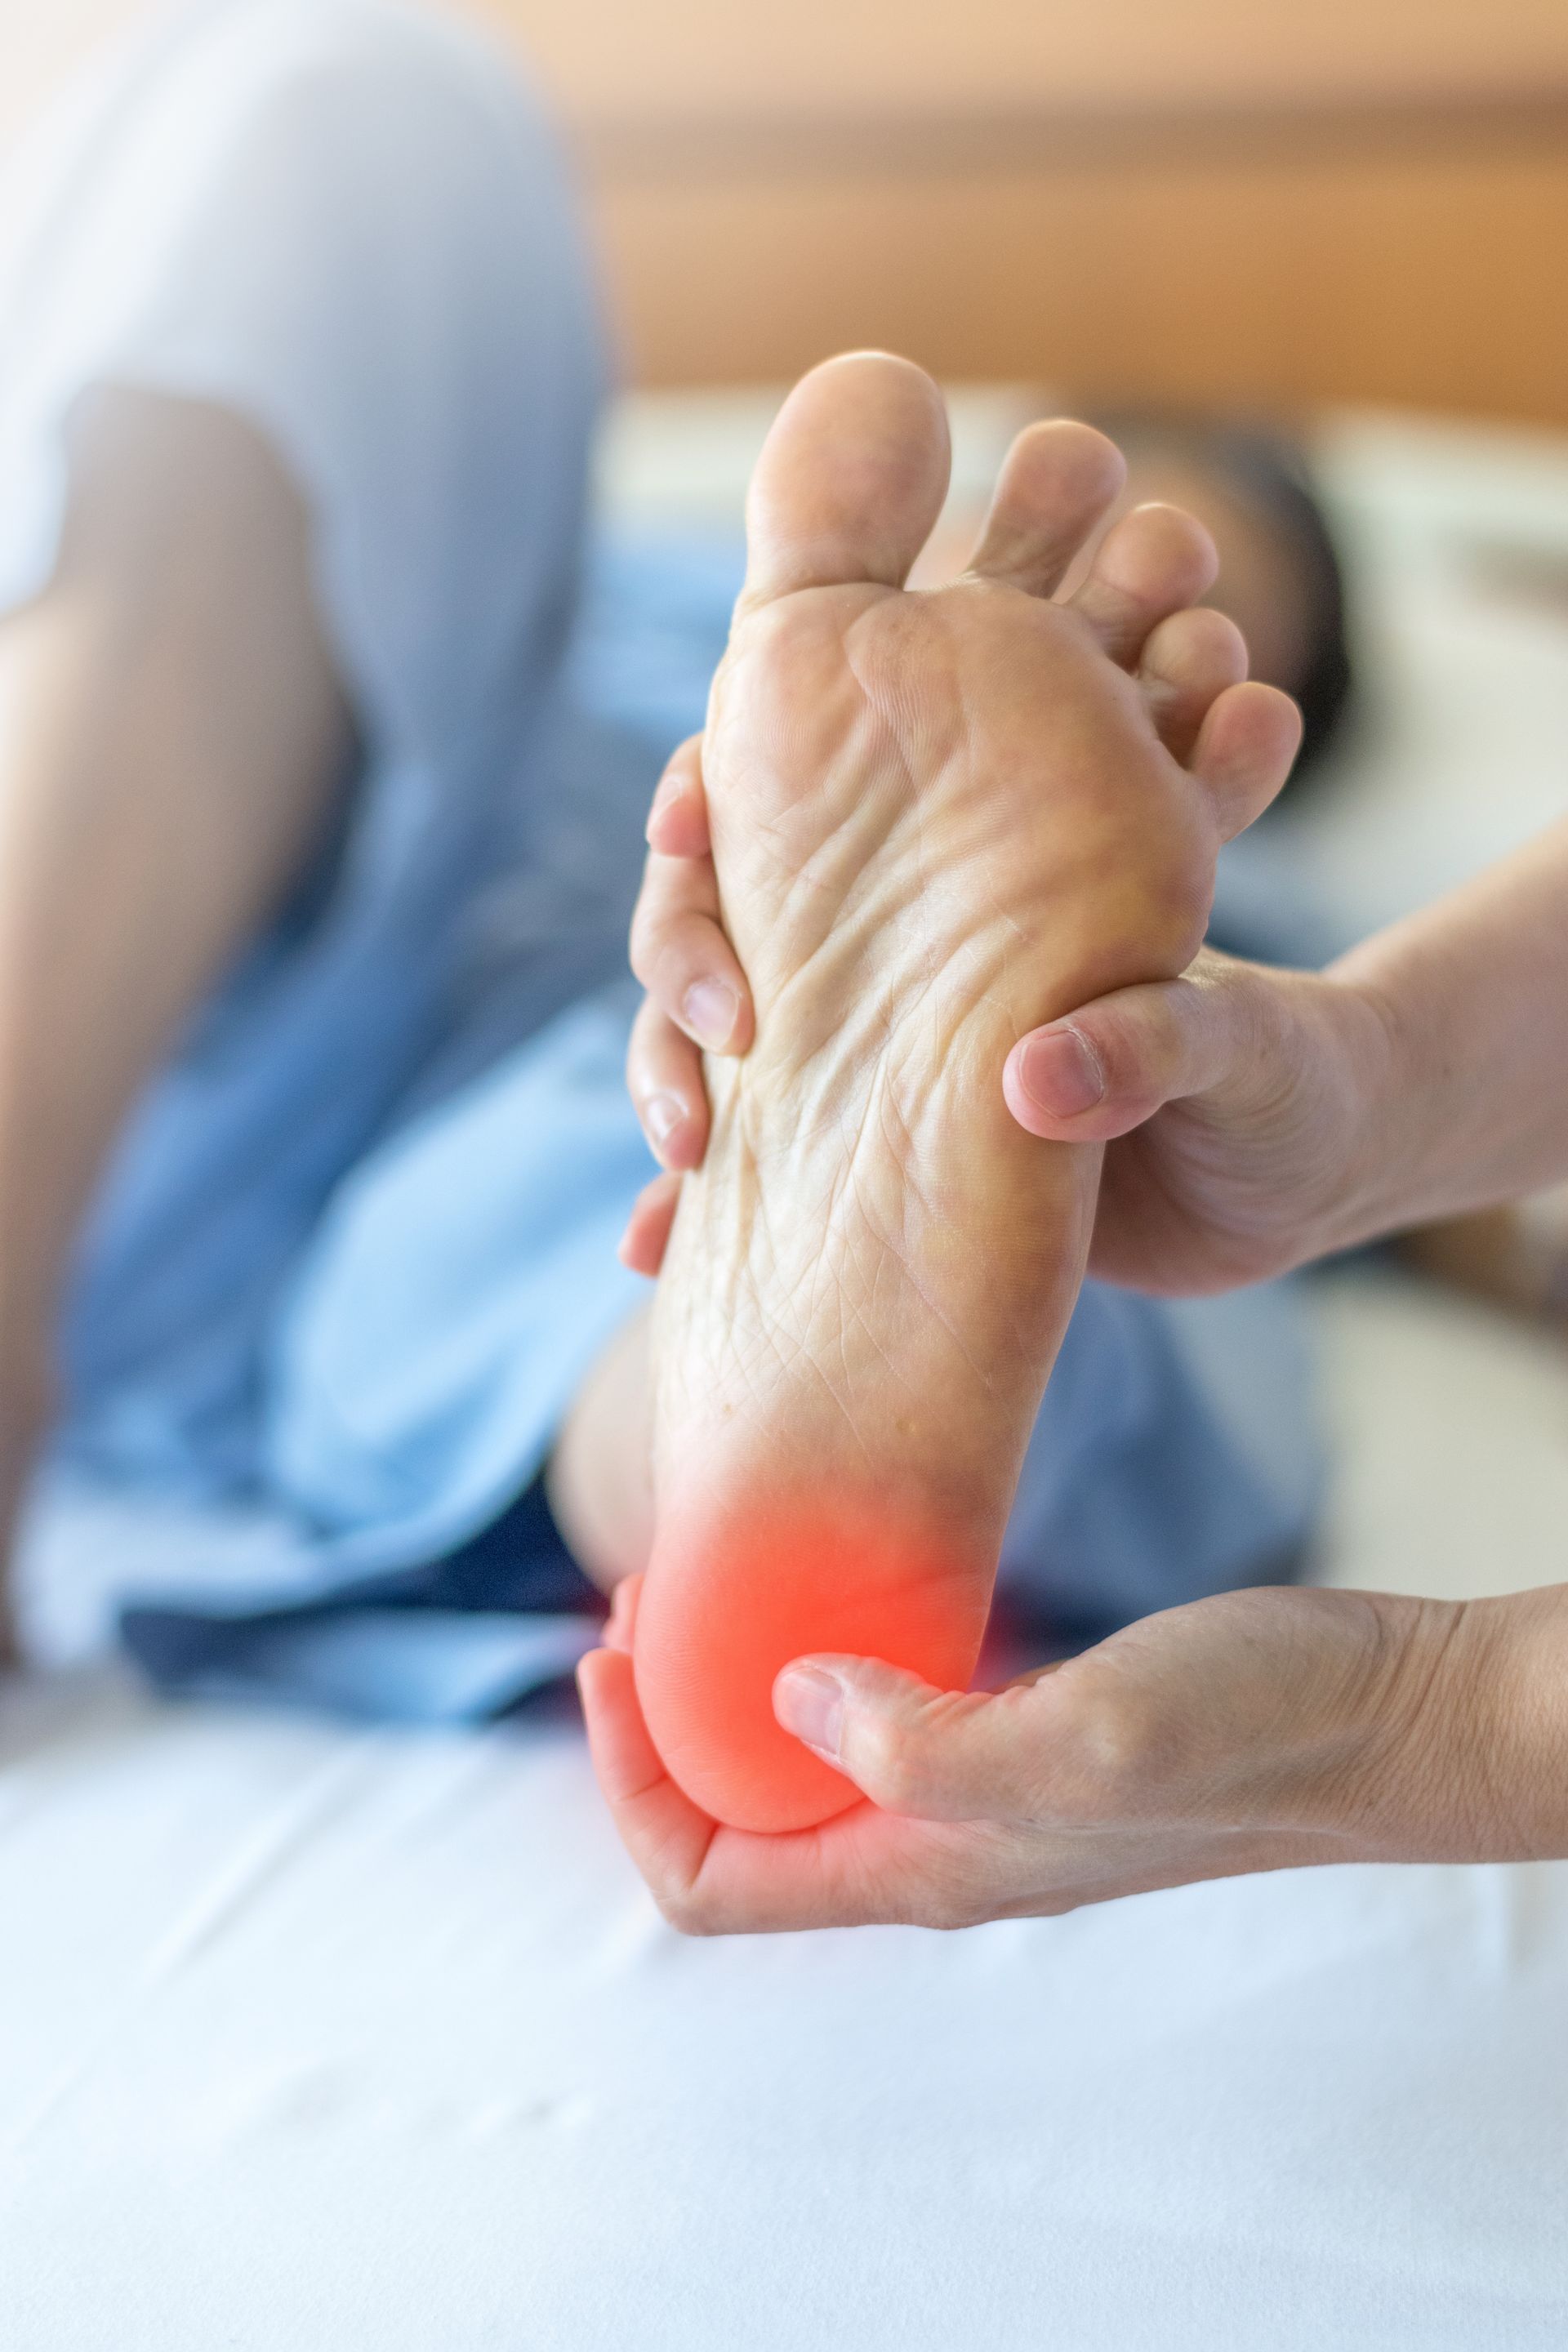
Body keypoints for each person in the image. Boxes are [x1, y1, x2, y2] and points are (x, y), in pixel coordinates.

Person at [0, 0, 1312, 1716]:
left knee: (924, 1171)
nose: (1099, 641)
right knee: (364, 108)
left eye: (1180, 650)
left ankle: (763, 1425)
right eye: (1117, 564)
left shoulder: (1189, 910)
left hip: (519, 1111)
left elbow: (1371, 1108)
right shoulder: (569, 547)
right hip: (214, 961)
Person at [585, 497, 1568, 1940]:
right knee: (1035, 1244)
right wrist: (1358, 1106)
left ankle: (707, 1417)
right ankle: (717, 1407)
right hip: (658, 1047)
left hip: (1066, 1116)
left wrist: (1428, 1717)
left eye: (1209, 650)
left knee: (1025, 1214)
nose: (1113, 626)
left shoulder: (1233, 894)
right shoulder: (642, 619)